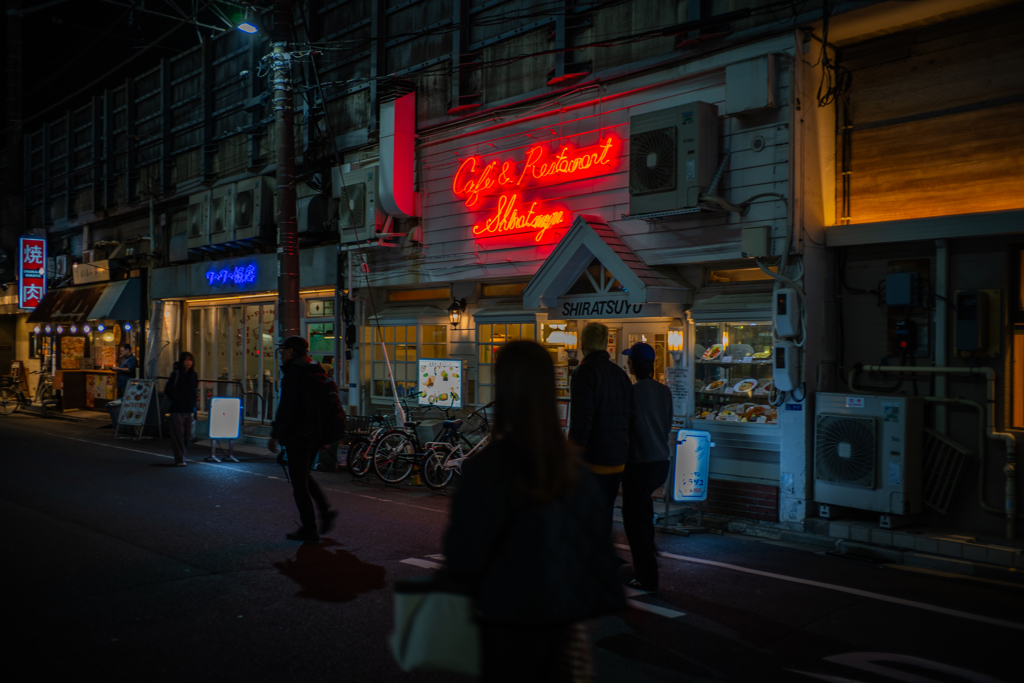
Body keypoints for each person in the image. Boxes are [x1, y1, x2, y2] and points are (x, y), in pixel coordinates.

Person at [444, 340, 626, 681]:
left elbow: (462, 556)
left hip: (502, 621)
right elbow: (598, 552)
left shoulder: (486, 469)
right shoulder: (574, 471)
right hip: (560, 623)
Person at [268, 336, 338, 543]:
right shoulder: (315, 368)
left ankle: (309, 528)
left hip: (299, 435)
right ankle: (325, 511)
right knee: (305, 477)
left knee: (299, 483)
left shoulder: (294, 373)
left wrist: (275, 435)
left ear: (291, 351)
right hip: (316, 433)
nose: (281, 353)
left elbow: (287, 407)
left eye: (283, 349)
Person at [568, 322, 633, 524]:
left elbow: (582, 419)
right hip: (617, 457)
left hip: (593, 458)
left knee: (586, 517)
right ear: (605, 344)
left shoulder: (583, 373)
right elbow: (629, 415)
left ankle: (590, 554)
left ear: (583, 345)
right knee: (605, 513)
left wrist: (574, 453)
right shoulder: (621, 374)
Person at [620, 342, 673, 592]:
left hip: (639, 463)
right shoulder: (665, 392)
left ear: (633, 365)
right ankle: (648, 556)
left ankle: (646, 575)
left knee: (635, 521)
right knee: (643, 515)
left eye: (629, 361)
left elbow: (625, 428)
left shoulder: (631, 393)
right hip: (661, 462)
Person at [164, 352, 198, 467]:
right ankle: (179, 458)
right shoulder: (176, 374)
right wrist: (176, 399)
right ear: (182, 361)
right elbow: (168, 389)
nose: (188, 362)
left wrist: (194, 407)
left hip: (189, 409)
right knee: (178, 434)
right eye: (186, 360)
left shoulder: (193, 375)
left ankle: (181, 455)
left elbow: (194, 392)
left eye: (190, 360)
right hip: (177, 409)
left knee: (188, 435)